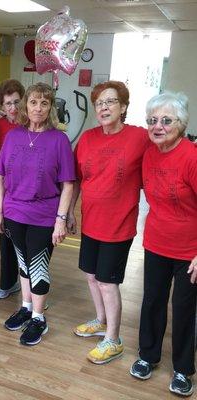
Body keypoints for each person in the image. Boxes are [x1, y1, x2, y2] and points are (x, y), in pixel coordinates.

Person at [67, 81, 150, 364]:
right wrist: (67, 213)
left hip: (119, 225)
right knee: (91, 276)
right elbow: (77, 180)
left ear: (124, 107)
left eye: (111, 102)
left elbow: (165, 152)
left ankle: (113, 339)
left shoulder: (139, 137)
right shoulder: (87, 139)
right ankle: (101, 320)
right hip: (91, 221)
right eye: (99, 103)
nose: (103, 107)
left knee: (107, 282)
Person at [0, 82, 75, 346]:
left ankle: (39, 317)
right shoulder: (14, 136)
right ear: (25, 106)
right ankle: (27, 307)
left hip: (43, 214)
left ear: (51, 107)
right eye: (33, 102)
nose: (38, 108)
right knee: (23, 264)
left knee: (38, 267)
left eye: (44, 103)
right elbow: (0, 175)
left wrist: (61, 220)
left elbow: (68, 184)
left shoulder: (59, 139)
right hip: (14, 212)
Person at [129, 92, 197, 397]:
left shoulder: (192, 157)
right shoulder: (149, 153)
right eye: (152, 121)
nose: (158, 126)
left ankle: (183, 368)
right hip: (156, 242)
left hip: (190, 250)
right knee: (152, 301)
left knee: (184, 309)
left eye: (166, 121)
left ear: (180, 124)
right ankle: (148, 355)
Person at [0, 79, 25, 299]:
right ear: (2, 106)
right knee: (5, 239)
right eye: (8, 104)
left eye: (17, 102)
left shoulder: (32, 123)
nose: (13, 108)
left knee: (26, 244)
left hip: (28, 194)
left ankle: (32, 290)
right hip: (5, 192)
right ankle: (8, 282)